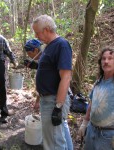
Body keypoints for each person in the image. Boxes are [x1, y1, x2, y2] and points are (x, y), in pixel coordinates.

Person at [31, 15, 72, 150]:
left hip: (54, 100)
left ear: (47, 29)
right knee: (60, 137)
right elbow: (48, 72)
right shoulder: (48, 46)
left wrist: (58, 107)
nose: (36, 36)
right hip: (47, 99)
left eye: (37, 32)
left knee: (53, 143)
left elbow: (66, 77)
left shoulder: (61, 45)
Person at [78, 47, 114, 150]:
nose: (106, 61)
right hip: (91, 130)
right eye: (103, 58)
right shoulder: (99, 82)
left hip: (108, 136)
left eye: (110, 58)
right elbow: (92, 103)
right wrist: (84, 123)